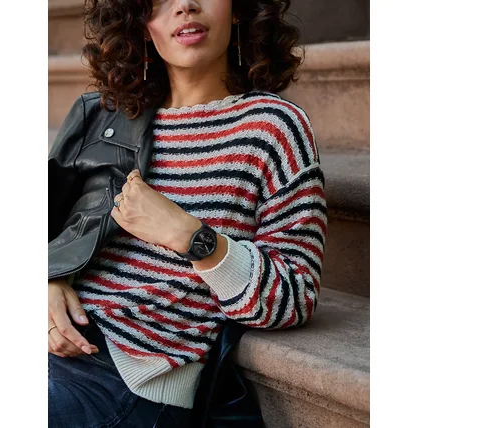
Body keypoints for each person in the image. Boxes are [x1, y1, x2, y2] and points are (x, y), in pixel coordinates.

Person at [48, 0, 328, 427]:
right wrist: (50, 278)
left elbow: (294, 295)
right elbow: (56, 228)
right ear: (140, 24)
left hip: (129, 378)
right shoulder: (106, 119)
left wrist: (192, 237)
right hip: (59, 345)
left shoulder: (273, 126)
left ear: (238, 10)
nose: (185, 6)